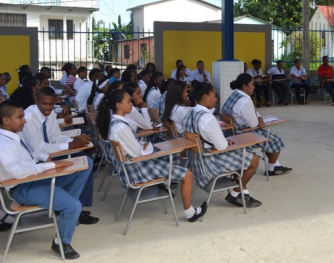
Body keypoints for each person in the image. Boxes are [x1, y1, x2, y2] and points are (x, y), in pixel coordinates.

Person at [96, 89, 207, 222]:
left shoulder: (116, 124)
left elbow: (135, 148)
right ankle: (190, 213)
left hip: (131, 166)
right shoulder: (121, 128)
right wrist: (149, 148)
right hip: (136, 169)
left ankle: (167, 182)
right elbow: (138, 152)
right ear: (119, 105)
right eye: (128, 101)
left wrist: (147, 147)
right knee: (187, 174)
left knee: (170, 157)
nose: (131, 103)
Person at [0, 100, 92, 259]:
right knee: (74, 206)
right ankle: (60, 242)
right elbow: (17, 172)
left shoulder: (15, 135)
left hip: (36, 177)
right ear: (6, 120)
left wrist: (47, 159)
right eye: (20, 117)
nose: (25, 120)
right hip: (24, 188)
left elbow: (31, 154)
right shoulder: (3, 144)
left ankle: (63, 208)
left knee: (85, 165)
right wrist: (48, 166)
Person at [22, 87, 98, 225]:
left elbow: (55, 137)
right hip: (37, 161)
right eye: (44, 103)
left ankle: (71, 205)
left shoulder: (50, 113)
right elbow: (39, 148)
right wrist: (70, 146)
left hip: (50, 154)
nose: (48, 107)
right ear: (36, 100)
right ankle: (72, 207)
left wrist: (74, 141)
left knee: (85, 161)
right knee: (83, 163)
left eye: (51, 104)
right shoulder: (29, 118)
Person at [182, 83, 262, 207]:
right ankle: (235, 194)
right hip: (208, 164)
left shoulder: (189, 113)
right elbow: (222, 147)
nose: (216, 99)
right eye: (214, 95)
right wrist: (226, 142)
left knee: (240, 156)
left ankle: (242, 191)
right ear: (205, 97)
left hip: (195, 162)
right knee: (254, 160)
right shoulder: (207, 118)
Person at [222, 73, 292, 176]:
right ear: (244, 86)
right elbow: (253, 124)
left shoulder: (235, 94)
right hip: (242, 133)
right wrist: (260, 121)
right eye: (252, 84)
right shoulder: (245, 101)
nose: (254, 87)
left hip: (229, 132)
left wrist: (259, 118)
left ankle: (275, 164)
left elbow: (253, 113)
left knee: (267, 137)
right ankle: (272, 168)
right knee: (275, 139)